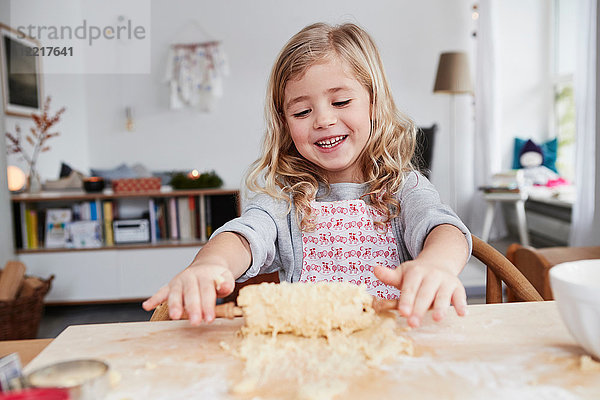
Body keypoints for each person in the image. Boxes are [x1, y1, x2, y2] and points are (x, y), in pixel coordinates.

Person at [143, 22, 471, 328]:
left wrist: (437, 264)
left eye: (341, 101)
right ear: (285, 122)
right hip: (308, 350)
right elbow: (245, 235)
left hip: (391, 341)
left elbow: (443, 228)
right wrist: (210, 264)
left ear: (374, 103)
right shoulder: (284, 198)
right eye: (302, 111)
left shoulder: (404, 188)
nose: (323, 120)